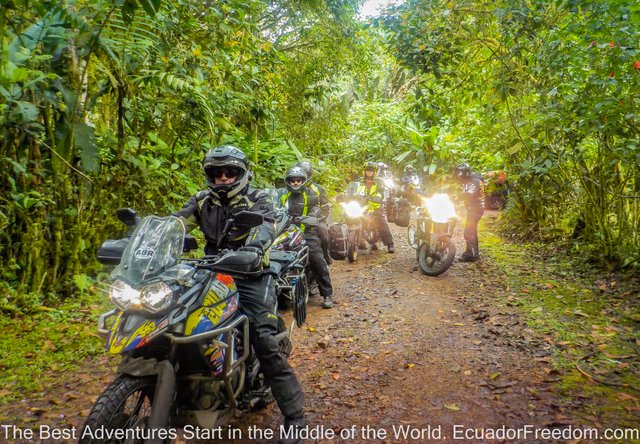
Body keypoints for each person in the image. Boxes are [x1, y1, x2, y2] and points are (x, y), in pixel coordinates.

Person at [174, 145, 305, 442]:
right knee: (176, 321)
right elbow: (174, 222)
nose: (222, 177)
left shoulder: (259, 197)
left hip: (252, 273)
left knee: (263, 338)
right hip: (209, 272)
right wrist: (142, 238)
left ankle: (294, 416)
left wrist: (255, 247)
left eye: (229, 172)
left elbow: (269, 223)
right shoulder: (202, 201)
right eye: (216, 172)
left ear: (243, 173)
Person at [281, 166, 335, 309]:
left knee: (317, 259)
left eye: (299, 180)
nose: (296, 183)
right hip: (284, 235)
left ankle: (327, 293)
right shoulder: (282, 195)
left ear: (303, 181)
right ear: (288, 182)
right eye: (293, 181)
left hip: (307, 234)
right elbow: (272, 208)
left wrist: (313, 216)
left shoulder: (311, 194)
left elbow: (320, 207)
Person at [352, 161, 395, 253]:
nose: (369, 172)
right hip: (361, 205)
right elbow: (352, 190)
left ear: (374, 172)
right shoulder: (358, 182)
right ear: (364, 171)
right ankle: (354, 241)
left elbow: (381, 193)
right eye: (367, 170)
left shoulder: (378, 182)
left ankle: (390, 244)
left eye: (371, 171)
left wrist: (376, 198)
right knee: (351, 217)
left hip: (374, 205)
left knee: (380, 221)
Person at [295, 161, 332, 264]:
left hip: (315, 220)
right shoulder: (292, 188)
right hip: (295, 220)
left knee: (323, 232)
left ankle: (326, 257)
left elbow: (325, 207)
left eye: (305, 174)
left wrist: (318, 218)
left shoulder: (318, 189)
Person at [455, 162, 485, 262]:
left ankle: (470, 254)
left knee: (469, 231)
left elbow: (469, 194)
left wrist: (457, 196)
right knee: (472, 230)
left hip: (476, 209)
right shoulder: (466, 182)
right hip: (471, 209)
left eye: (460, 172)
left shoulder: (474, 181)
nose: (458, 175)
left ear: (466, 173)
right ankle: (474, 254)